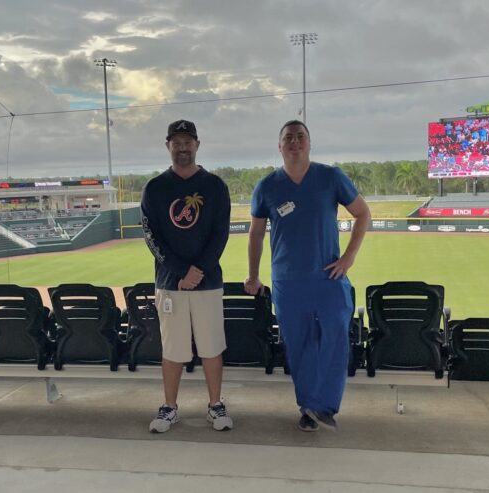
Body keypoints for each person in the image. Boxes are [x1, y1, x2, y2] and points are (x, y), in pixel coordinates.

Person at [245, 120, 370, 432]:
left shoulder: (330, 177)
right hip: (287, 281)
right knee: (300, 344)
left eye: (300, 137)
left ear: (310, 144)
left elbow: (362, 213)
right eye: (288, 138)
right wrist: (253, 275)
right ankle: (308, 407)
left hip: (329, 278)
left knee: (336, 338)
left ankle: (326, 405)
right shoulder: (267, 186)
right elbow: (256, 235)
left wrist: (349, 257)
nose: (295, 142)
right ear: (279, 146)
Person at [141, 119, 232, 433]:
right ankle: (169, 407)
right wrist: (181, 271)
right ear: (168, 145)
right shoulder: (155, 188)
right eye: (176, 141)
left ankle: (215, 405)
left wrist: (198, 271)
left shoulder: (215, 186)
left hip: (207, 283)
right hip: (170, 284)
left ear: (197, 144)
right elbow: (151, 236)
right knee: (173, 349)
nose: (182, 147)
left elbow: (220, 234)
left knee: (211, 347)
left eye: (187, 141)